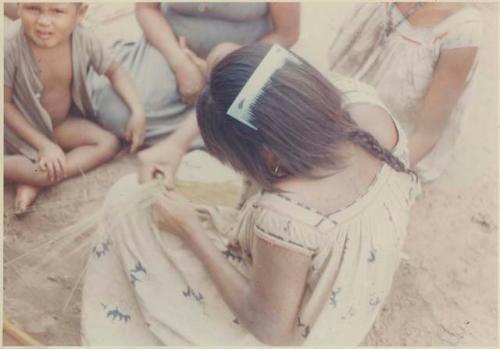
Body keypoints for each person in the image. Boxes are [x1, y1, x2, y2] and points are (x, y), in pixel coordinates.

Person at [81, 44, 420, 345]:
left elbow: (271, 330)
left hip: (290, 330)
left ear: (270, 155)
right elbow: (239, 71)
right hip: (348, 296)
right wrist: (176, 143)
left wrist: (190, 231)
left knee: (128, 201)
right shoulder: (361, 103)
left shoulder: (286, 214)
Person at [89, 2, 300, 186]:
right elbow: (146, 9)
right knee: (117, 111)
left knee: (262, 109)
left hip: (241, 61)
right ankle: (219, 134)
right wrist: (181, 64)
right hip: (171, 50)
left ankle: (197, 132)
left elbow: (286, 33)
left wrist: (216, 67)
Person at [4, 2, 145, 214]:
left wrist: (137, 111)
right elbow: (3, 105)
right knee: (41, 169)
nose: (44, 21)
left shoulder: (82, 38)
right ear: (19, 7)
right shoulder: (10, 44)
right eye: (34, 8)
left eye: (57, 11)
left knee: (108, 143)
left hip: (58, 124)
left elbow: (115, 71)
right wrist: (44, 145)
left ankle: (36, 179)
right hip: (17, 131)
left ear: (80, 13)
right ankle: (26, 173)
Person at [328, 2, 482, 182]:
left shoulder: (460, 30)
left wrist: (374, 181)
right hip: (342, 113)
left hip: (390, 146)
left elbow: (426, 134)